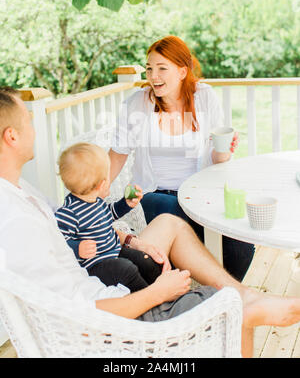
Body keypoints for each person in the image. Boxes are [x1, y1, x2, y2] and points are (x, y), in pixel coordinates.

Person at [1, 86, 300, 359]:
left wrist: (131, 240)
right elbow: (77, 316)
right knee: (235, 311)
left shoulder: (19, 191)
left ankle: (244, 293)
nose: (34, 128)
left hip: (101, 279)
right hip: (115, 321)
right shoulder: (15, 221)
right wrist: (159, 293)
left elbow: (84, 228)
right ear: (11, 136)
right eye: (28, 120)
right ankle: (243, 301)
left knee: (170, 223)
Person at [109, 35, 254, 282]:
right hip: (155, 194)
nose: (153, 76)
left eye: (162, 69)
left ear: (182, 71)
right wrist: (92, 194)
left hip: (199, 192)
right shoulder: (138, 103)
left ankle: (220, 296)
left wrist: (224, 150)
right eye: (149, 69)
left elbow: (217, 157)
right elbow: (118, 153)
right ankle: (214, 290)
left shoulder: (204, 97)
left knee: (239, 242)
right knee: (180, 215)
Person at [55, 142, 163, 292]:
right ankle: (151, 299)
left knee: (144, 261)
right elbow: (57, 240)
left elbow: (110, 214)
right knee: (127, 270)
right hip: (96, 265)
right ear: (101, 184)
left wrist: (126, 204)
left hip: (114, 251)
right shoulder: (69, 212)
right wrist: (77, 247)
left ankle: (161, 288)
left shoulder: (96, 201)